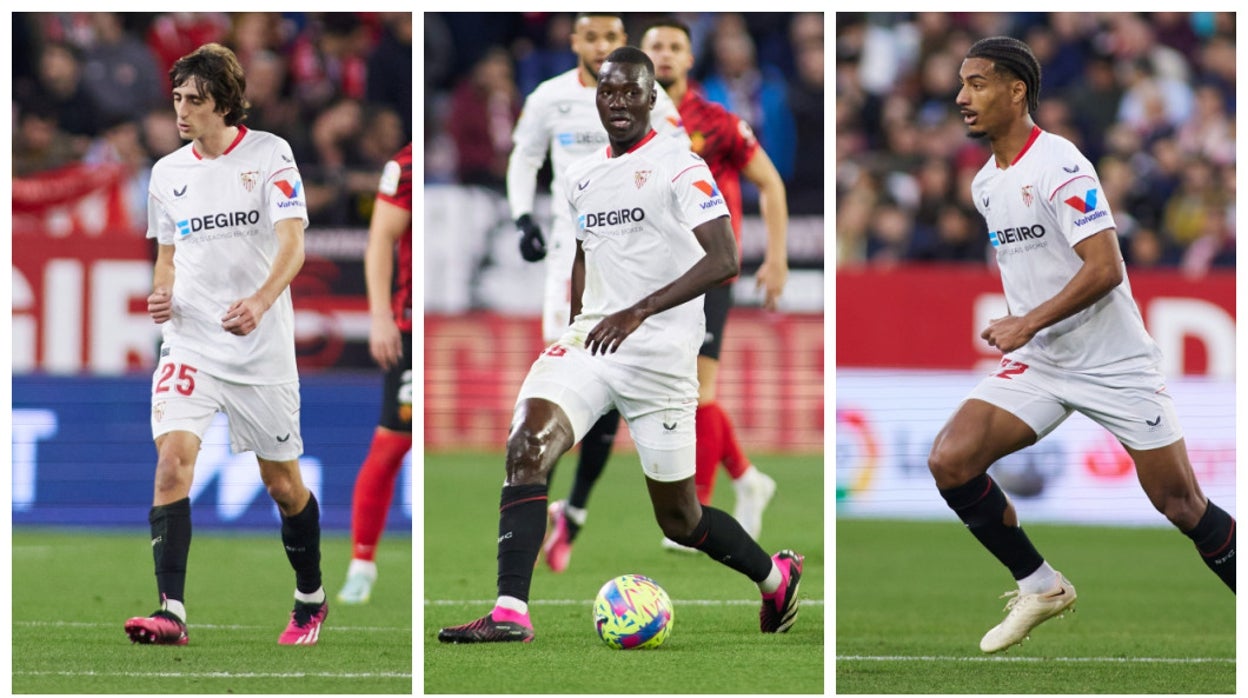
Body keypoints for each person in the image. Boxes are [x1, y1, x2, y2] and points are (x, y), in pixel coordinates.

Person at [438, 47, 802, 644]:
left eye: (631, 92)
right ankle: (510, 611)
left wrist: (638, 310)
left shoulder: (680, 165)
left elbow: (726, 258)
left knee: (681, 519)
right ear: (598, 99)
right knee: (528, 443)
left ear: (651, 98)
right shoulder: (580, 176)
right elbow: (586, 254)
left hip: (661, 355)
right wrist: (583, 319)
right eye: (609, 92)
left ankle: (774, 578)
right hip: (595, 342)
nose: (619, 102)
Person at [929, 35, 1235, 655]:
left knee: (1181, 504)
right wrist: (1027, 328)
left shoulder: (1061, 164)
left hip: (1113, 362)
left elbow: (1104, 269)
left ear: (1017, 90)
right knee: (950, 460)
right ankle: (1041, 586)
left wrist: (1027, 321)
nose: (962, 97)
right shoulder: (986, 182)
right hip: (1042, 362)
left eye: (978, 83)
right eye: (961, 84)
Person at [543, 18, 789, 565]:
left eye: (676, 47)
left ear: (685, 61)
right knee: (617, 394)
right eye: (657, 46)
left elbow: (769, 182)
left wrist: (774, 257)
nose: (667, 54)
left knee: (699, 396)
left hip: (698, 275)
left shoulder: (714, 123)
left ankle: (707, 497)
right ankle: (741, 481)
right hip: (630, 283)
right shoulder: (621, 136)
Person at [124, 43, 325, 647]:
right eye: (177, 98)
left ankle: (310, 596)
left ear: (225, 103)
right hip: (189, 341)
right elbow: (168, 254)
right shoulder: (167, 174)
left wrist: (261, 301)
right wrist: (162, 293)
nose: (181, 111)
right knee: (171, 464)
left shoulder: (270, 155)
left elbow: (294, 243)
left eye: (195, 100)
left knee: (283, 485)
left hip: (261, 347)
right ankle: (172, 611)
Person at [505, 12, 689, 573]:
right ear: (575, 42)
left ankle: (574, 511)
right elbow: (525, 157)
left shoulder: (657, 112)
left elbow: (677, 170)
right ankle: (540, 512)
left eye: (612, 37)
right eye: (592, 36)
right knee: (555, 398)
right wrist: (522, 217)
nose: (602, 44)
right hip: (573, 261)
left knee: (606, 405)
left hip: (635, 277)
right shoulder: (549, 98)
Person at [338, 142, 414, 604]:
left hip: (448, 322)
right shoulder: (405, 165)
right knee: (391, 444)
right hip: (411, 325)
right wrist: (380, 315)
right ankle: (361, 564)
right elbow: (380, 238)